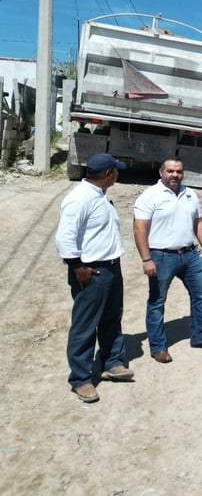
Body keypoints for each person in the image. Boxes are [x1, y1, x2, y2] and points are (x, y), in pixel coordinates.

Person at [55, 153, 134, 403]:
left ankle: (112, 362)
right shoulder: (79, 199)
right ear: (108, 174)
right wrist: (78, 268)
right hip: (91, 271)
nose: (118, 174)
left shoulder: (99, 195)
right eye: (116, 171)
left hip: (111, 267)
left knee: (112, 318)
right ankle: (80, 378)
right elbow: (64, 238)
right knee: (85, 325)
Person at [133, 156, 202, 363]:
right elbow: (139, 229)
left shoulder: (190, 194)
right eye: (170, 171)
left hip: (190, 255)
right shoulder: (150, 196)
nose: (175, 175)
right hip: (161, 256)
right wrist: (147, 259)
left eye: (179, 171)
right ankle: (158, 347)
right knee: (157, 302)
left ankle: (201, 337)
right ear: (161, 173)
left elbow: (198, 222)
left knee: (200, 295)